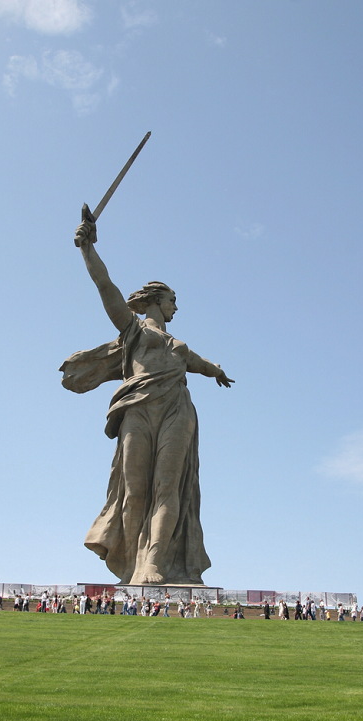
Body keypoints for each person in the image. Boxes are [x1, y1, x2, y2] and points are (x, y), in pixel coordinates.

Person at [64, 214, 232, 585]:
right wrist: (88, 249)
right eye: (173, 300)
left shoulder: (179, 346)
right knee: (136, 489)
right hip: (138, 409)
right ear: (157, 301)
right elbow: (105, 286)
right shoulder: (134, 329)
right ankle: (131, 564)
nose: (176, 307)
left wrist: (216, 371)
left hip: (176, 410)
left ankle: (154, 562)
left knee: (167, 487)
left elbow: (199, 364)